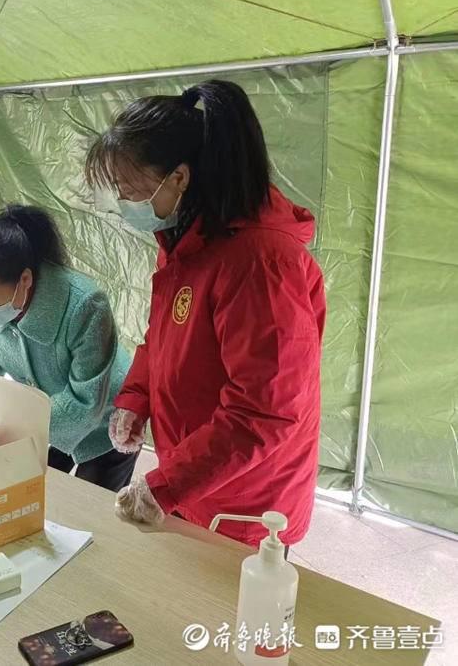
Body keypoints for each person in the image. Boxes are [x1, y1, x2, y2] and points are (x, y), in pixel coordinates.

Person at [85, 80, 325, 547]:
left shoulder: (260, 262)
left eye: (130, 189)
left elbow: (265, 410)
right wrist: (136, 398)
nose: (123, 203)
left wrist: (167, 485)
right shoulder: (186, 241)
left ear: (179, 177)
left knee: (239, 594)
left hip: (248, 500)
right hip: (199, 477)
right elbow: (163, 338)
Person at [0, 205, 135, 492]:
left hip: (105, 419)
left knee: (88, 504)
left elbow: (85, 401)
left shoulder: (86, 305)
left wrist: (11, 427)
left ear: (24, 280)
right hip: (42, 414)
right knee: (34, 494)